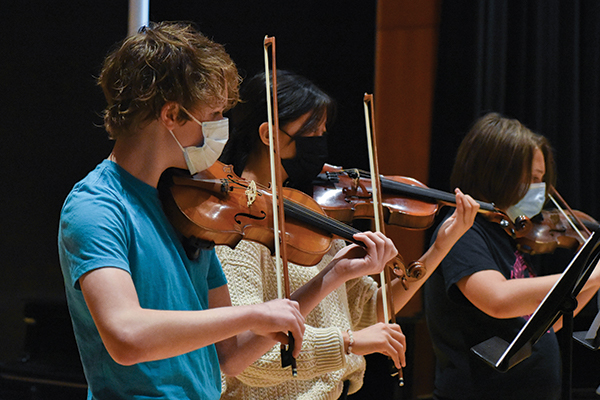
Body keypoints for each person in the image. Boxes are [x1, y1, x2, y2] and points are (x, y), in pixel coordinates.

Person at [57, 22, 313, 400]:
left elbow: (229, 354)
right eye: (212, 114)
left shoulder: (189, 208)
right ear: (172, 115)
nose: (220, 129)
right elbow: (126, 337)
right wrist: (254, 314)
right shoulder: (95, 207)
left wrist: (336, 274)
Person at [215, 70, 479, 399]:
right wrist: (348, 342)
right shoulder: (238, 230)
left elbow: (368, 310)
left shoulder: (309, 211)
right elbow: (252, 358)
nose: (320, 144)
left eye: (323, 133)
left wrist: (439, 248)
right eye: (311, 132)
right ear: (269, 135)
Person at [423, 112, 600, 400]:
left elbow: (542, 324)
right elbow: (498, 299)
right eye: (532, 178)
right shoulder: (462, 233)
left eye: (541, 180)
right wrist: (589, 274)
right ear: (497, 171)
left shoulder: (507, 233)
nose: (540, 191)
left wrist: (591, 275)